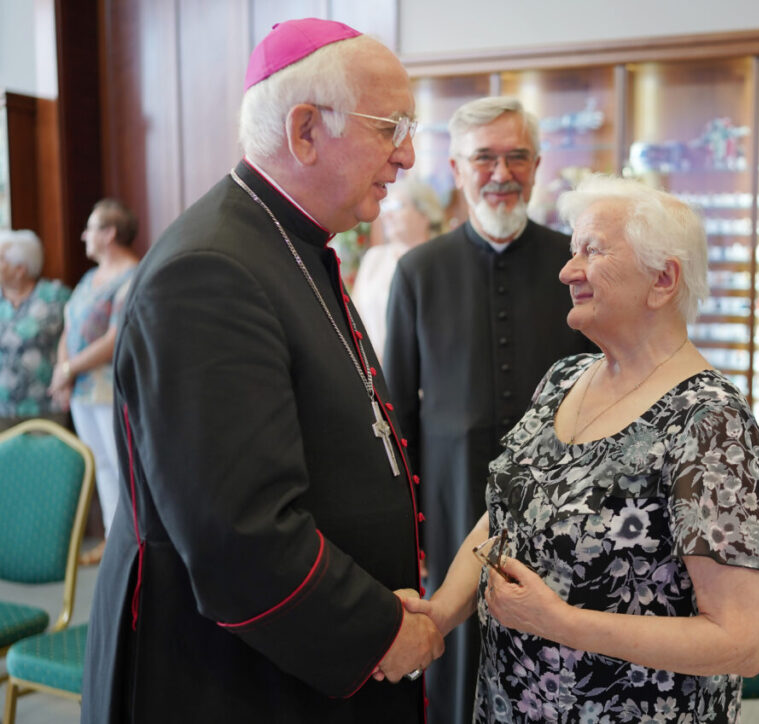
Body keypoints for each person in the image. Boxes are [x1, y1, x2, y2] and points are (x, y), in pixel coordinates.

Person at [82, 19, 443, 723]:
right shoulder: (210, 272)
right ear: (305, 129)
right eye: (390, 126)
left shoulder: (290, 243)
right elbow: (239, 535)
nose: (406, 155)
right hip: (231, 677)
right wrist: (377, 630)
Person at [405, 174, 759, 723]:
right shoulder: (564, 378)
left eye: (592, 251)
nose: (566, 270)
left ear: (662, 280)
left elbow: (744, 642)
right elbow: (505, 516)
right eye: (573, 249)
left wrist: (562, 623)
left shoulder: (710, 424)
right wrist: (437, 615)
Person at [384, 95, 596, 723]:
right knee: (457, 659)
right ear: (455, 166)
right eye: (484, 158)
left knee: (558, 662)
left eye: (516, 157)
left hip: (562, 503)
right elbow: (397, 415)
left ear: (537, 165)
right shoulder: (418, 271)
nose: (501, 173)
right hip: (452, 503)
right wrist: (412, 523)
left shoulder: (574, 264)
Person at [48, 199, 139, 565]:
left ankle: (130, 545)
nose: (84, 235)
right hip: (83, 388)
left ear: (110, 233)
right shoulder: (89, 277)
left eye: (91, 227)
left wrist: (69, 369)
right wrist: (62, 370)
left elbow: (115, 337)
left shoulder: (131, 274)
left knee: (121, 464)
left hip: (108, 387)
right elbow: (70, 325)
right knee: (99, 462)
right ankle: (111, 542)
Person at [352, 177, 444, 359]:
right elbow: (354, 318)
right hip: (373, 371)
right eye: (385, 207)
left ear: (424, 214)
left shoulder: (440, 262)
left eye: (397, 207)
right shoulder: (374, 259)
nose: (387, 215)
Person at [0, 229, 71, 430]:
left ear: (20, 268)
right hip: (2, 406)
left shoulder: (56, 297)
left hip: (45, 404)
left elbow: (75, 340)